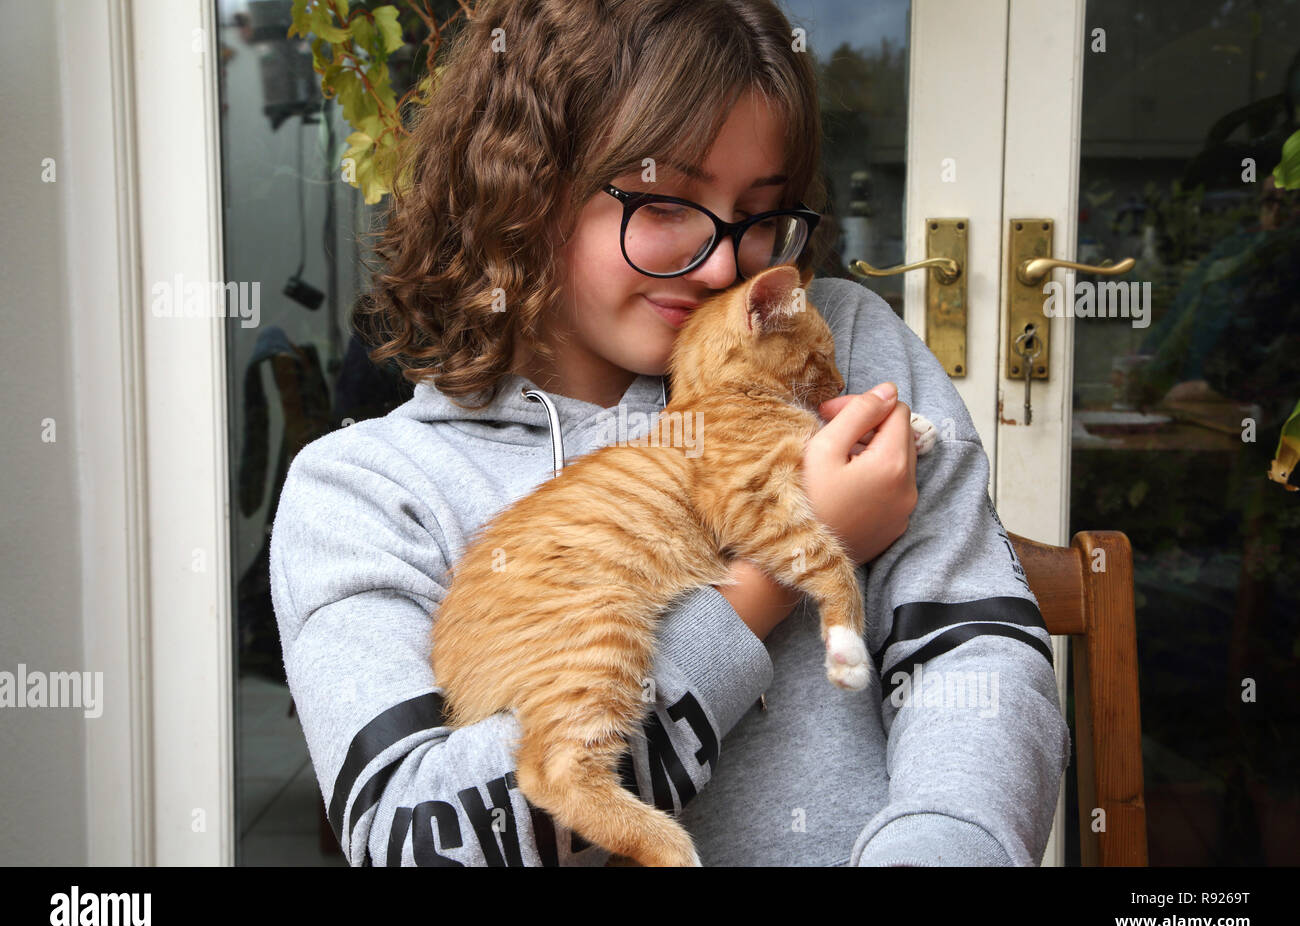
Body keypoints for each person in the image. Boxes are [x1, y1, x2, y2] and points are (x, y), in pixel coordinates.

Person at [269, 0, 1069, 866]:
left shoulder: (832, 342)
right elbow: (419, 843)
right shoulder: (368, 492)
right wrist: (771, 574)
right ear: (530, 186)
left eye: (761, 214)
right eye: (664, 202)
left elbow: (979, 661)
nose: (726, 265)